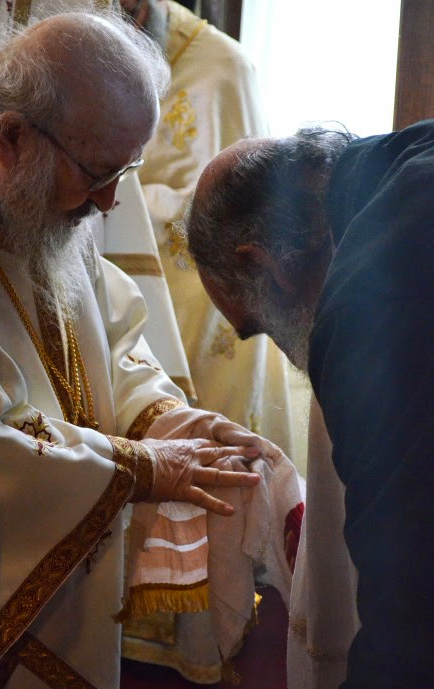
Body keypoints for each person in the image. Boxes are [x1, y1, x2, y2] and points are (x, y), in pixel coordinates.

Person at [0, 10, 269, 689]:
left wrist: (166, 420)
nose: (109, 205)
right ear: (11, 136)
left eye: (124, 173)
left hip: (64, 583)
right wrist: (142, 471)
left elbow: (110, 341)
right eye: (98, 175)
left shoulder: (39, 185)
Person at [186, 123, 434, 689]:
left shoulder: (367, 311)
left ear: (261, 263)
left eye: (258, 327)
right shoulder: (407, 157)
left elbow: (416, 616)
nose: (288, 350)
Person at [118, 0, 302, 468]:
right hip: (115, 302)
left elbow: (247, 211)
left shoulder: (224, 68)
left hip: (203, 311)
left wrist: (122, 198)